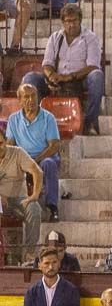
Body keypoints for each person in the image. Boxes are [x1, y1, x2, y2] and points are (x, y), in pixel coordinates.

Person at [23, 3, 104, 136]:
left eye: (74, 21)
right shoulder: (55, 37)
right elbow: (47, 63)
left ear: (80, 20)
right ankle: (30, 121)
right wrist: (51, 75)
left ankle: (90, 122)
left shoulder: (90, 38)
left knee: (97, 76)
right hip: (57, 80)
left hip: (79, 79)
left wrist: (69, 77)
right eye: (68, 21)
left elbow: (93, 65)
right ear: (63, 22)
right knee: (29, 78)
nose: (71, 25)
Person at [6, 83, 59, 219]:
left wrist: (35, 161)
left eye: (33, 96)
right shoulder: (13, 120)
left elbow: (54, 146)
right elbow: (9, 145)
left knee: (49, 163)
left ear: (38, 97)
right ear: (20, 100)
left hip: (43, 158)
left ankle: (52, 207)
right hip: (23, 160)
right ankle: (12, 207)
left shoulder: (48, 118)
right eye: (26, 97)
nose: (31, 100)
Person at [0, 133, 43, 262]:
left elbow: (37, 171)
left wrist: (35, 195)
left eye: (0, 143)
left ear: (6, 141)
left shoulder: (18, 153)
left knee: (34, 208)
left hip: (19, 200)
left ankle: (29, 254)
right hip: (1, 202)